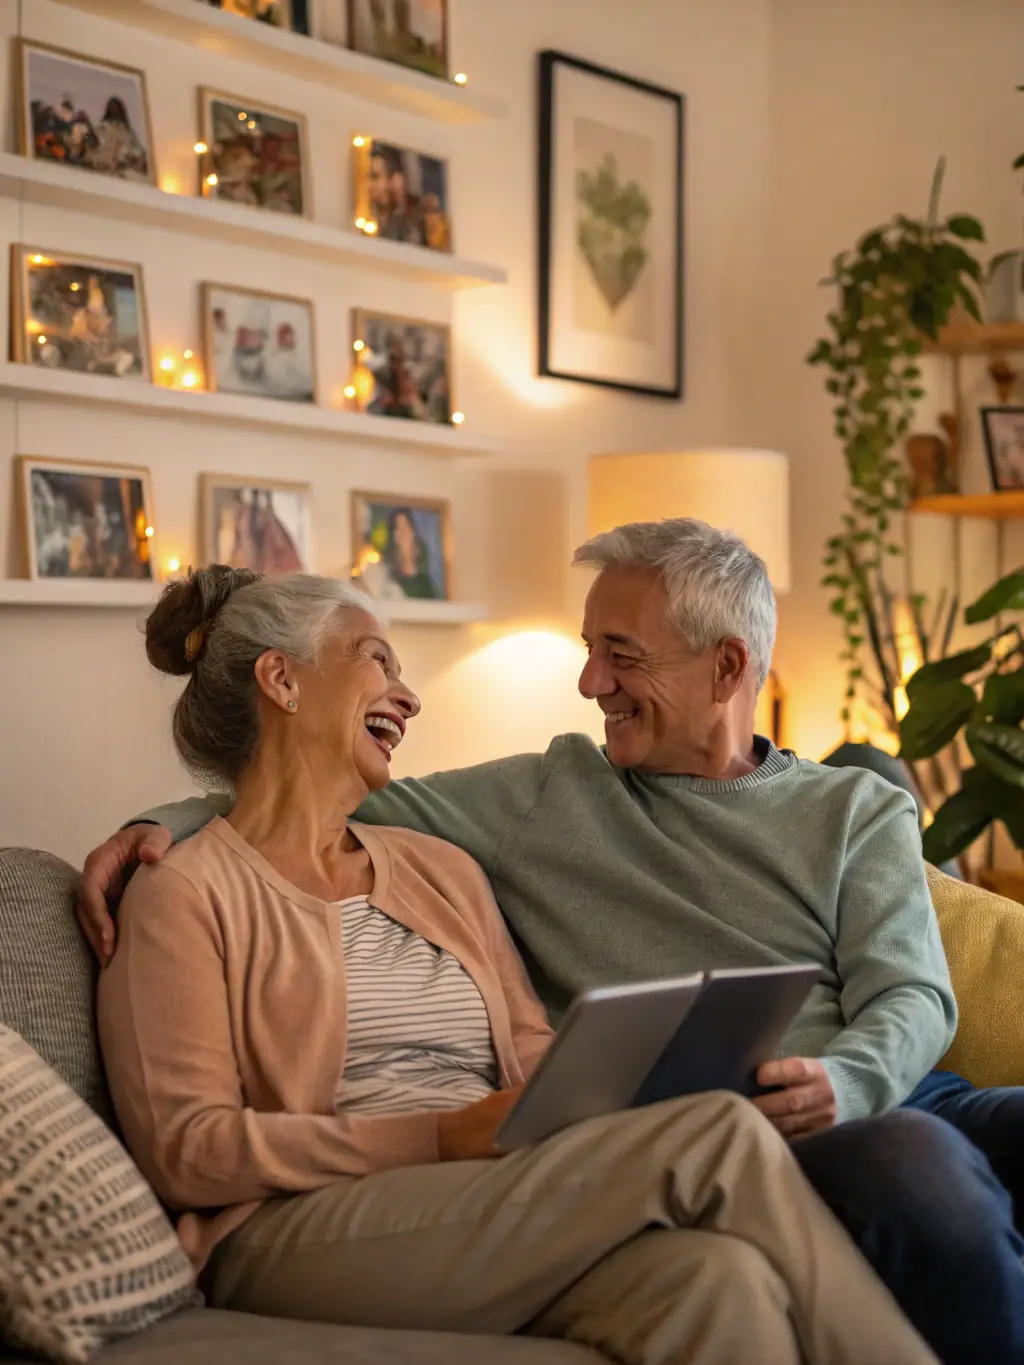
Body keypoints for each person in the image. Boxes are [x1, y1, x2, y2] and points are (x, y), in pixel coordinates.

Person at [79, 522, 1024, 1365]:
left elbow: (910, 999)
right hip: (353, 1202)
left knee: (717, 1282)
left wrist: (574, 1097)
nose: (589, 682)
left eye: (621, 653)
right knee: (816, 1154)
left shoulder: (437, 868)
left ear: (729, 668)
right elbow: (268, 817)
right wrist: (148, 826)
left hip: (851, 1092)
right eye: (379, 661)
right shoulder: (201, 884)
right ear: (282, 679)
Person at [383, 508, 440, 599]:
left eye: (406, 527)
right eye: (398, 528)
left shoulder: (425, 583)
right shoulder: (389, 580)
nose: (403, 534)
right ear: (394, 537)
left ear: (413, 532)